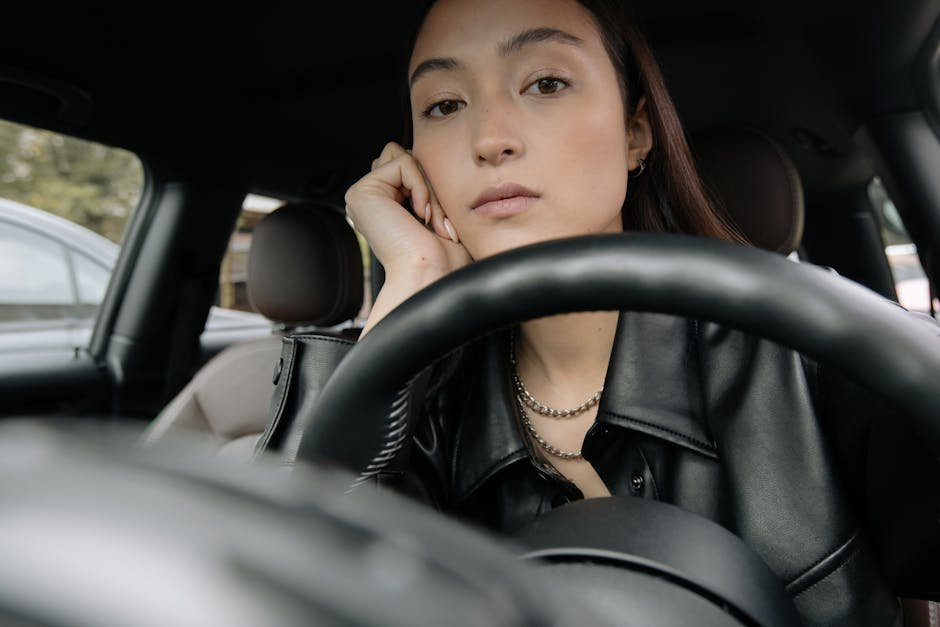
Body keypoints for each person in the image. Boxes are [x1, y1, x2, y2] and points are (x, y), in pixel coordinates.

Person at [340, 1, 938, 624]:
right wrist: (408, 285)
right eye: (444, 105)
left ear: (636, 133)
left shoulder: (814, 353)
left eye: (546, 83)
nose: (490, 140)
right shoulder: (419, 417)